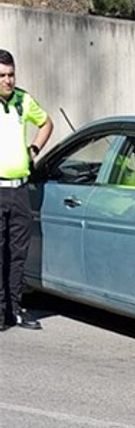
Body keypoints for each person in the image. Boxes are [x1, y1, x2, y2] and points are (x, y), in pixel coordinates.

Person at [0, 49, 53, 330]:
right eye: (2, 76)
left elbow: (46, 123)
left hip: (19, 190)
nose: (8, 81)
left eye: (11, 74)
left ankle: (14, 309)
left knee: (18, 252)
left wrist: (33, 149)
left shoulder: (23, 100)